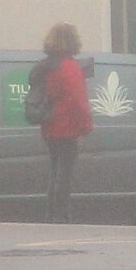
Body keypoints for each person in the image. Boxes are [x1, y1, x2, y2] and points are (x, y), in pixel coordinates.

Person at [30, 22, 92, 221]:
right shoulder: (69, 66)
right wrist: (86, 126)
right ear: (72, 40)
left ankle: (51, 214)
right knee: (64, 175)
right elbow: (79, 100)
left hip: (49, 126)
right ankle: (61, 216)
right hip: (67, 127)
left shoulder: (47, 65)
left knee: (56, 171)